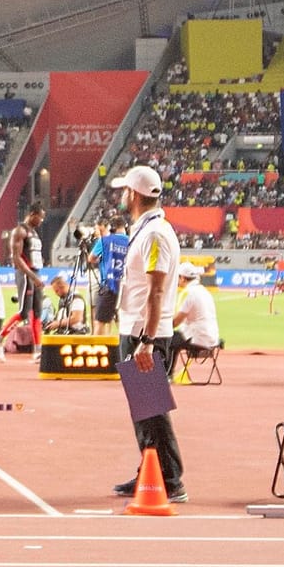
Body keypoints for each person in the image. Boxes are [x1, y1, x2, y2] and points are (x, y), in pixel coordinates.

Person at [107, 165, 187, 504]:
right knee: (143, 410)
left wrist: (147, 340)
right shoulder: (146, 231)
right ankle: (150, 469)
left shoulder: (155, 234)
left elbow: (156, 291)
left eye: (125, 190)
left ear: (136, 194)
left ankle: (170, 479)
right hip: (137, 329)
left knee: (151, 410)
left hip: (145, 333)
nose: (122, 195)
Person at [0, 205, 46, 352]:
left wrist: (37, 275)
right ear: (32, 214)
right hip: (25, 274)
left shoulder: (34, 233)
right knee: (24, 312)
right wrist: (32, 276)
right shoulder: (20, 231)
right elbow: (16, 258)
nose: (42, 220)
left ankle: (38, 349)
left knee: (37, 312)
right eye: (40, 217)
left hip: (35, 273)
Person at [170, 263, 219, 374]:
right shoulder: (204, 291)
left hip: (198, 338)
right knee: (173, 337)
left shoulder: (188, 292)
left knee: (166, 338)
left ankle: (166, 374)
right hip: (212, 338)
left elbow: (175, 322)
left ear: (182, 278)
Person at [92, 219, 129, 335]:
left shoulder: (105, 241)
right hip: (127, 286)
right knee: (123, 323)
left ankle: (98, 351)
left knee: (101, 322)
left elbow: (91, 258)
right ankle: (123, 351)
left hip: (108, 284)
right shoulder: (132, 241)